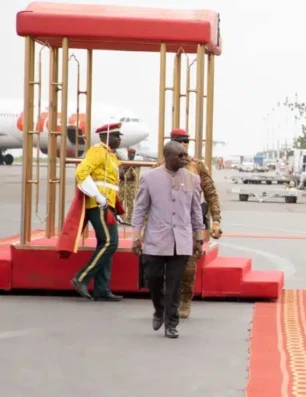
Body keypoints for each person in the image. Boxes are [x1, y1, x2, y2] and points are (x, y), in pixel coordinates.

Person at [131, 141, 205, 339]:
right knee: (153, 280)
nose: (184, 159)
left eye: (185, 155)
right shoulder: (150, 178)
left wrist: (199, 237)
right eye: (180, 156)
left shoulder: (193, 179)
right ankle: (158, 308)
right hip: (156, 239)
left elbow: (196, 211)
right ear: (168, 157)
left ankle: (171, 323)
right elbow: (140, 209)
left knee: (174, 284)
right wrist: (136, 236)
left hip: (181, 241)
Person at [60, 123, 125, 301]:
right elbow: (81, 172)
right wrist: (97, 195)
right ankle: (81, 278)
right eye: (117, 135)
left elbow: (110, 184)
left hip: (107, 203)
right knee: (109, 243)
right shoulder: (98, 151)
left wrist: (115, 208)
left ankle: (102, 289)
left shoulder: (111, 155)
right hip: (98, 204)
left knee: (106, 245)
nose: (120, 139)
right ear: (107, 135)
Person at [165, 129, 223, 319]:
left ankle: (185, 300)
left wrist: (216, 221)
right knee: (165, 267)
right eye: (177, 141)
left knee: (188, 266)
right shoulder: (160, 167)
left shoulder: (197, 166)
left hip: (190, 223)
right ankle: (168, 300)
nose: (181, 145)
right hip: (166, 224)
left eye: (184, 142)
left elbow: (211, 194)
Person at [119, 147, 139, 223]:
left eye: (133, 154)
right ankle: (120, 218)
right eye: (130, 153)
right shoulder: (124, 163)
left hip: (131, 185)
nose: (131, 155)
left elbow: (135, 175)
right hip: (123, 183)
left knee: (130, 203)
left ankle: (128, 219)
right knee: (120, 201)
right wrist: (124, 168)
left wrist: (131, 167)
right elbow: (120, 174)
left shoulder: (136, 164)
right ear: (127, 154)